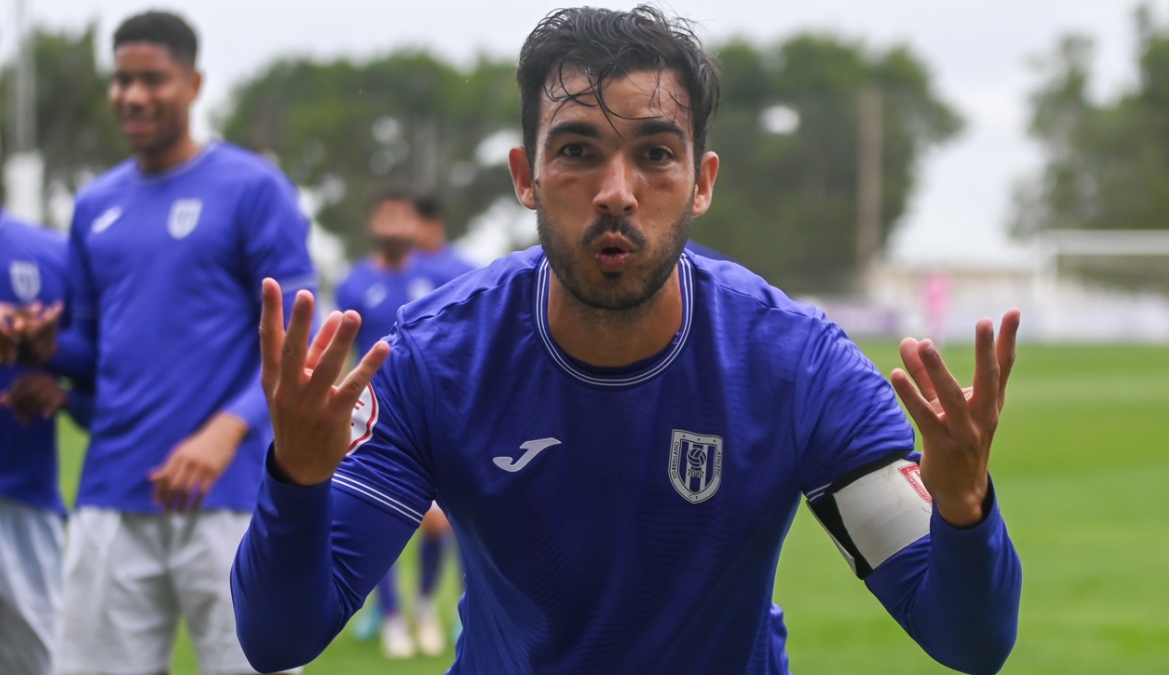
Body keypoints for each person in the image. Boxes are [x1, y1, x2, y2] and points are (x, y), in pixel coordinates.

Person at [233, 6, 1022, 675]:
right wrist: (295, 478)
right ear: (526, 176)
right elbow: (278, 638)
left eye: (655, 154)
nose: (616, 191)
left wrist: (963, 509)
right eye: (576, 151)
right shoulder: (438, 361)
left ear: (703, 181)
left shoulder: (794, 364)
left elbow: (968, 640)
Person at [10, 11, 314, 675]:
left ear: (194, 82)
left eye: (153, 78)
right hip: (112, 492)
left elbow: (298, 335)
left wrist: (226, 430)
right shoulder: (94, 204)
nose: (134, 95)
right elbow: (95, 351)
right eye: (122, 80)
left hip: (232, 498)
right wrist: (43, 351)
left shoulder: (253, 187)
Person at [336, 184, 474, 658]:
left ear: (416, 225)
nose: (395, 226)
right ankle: (391, 616)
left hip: (427, 419)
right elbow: (343, 354)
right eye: (386, 216)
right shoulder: (354, 282)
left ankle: (421, 607)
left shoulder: (439, 277)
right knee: (378, 521)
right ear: (374, 223)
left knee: (438, 524)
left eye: (404, 217)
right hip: (370, 423)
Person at [0, 209, 92, 675]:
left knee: (42, 665)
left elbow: (108, 370)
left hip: (23, 503)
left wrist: (50, 355)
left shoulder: (50, 253)